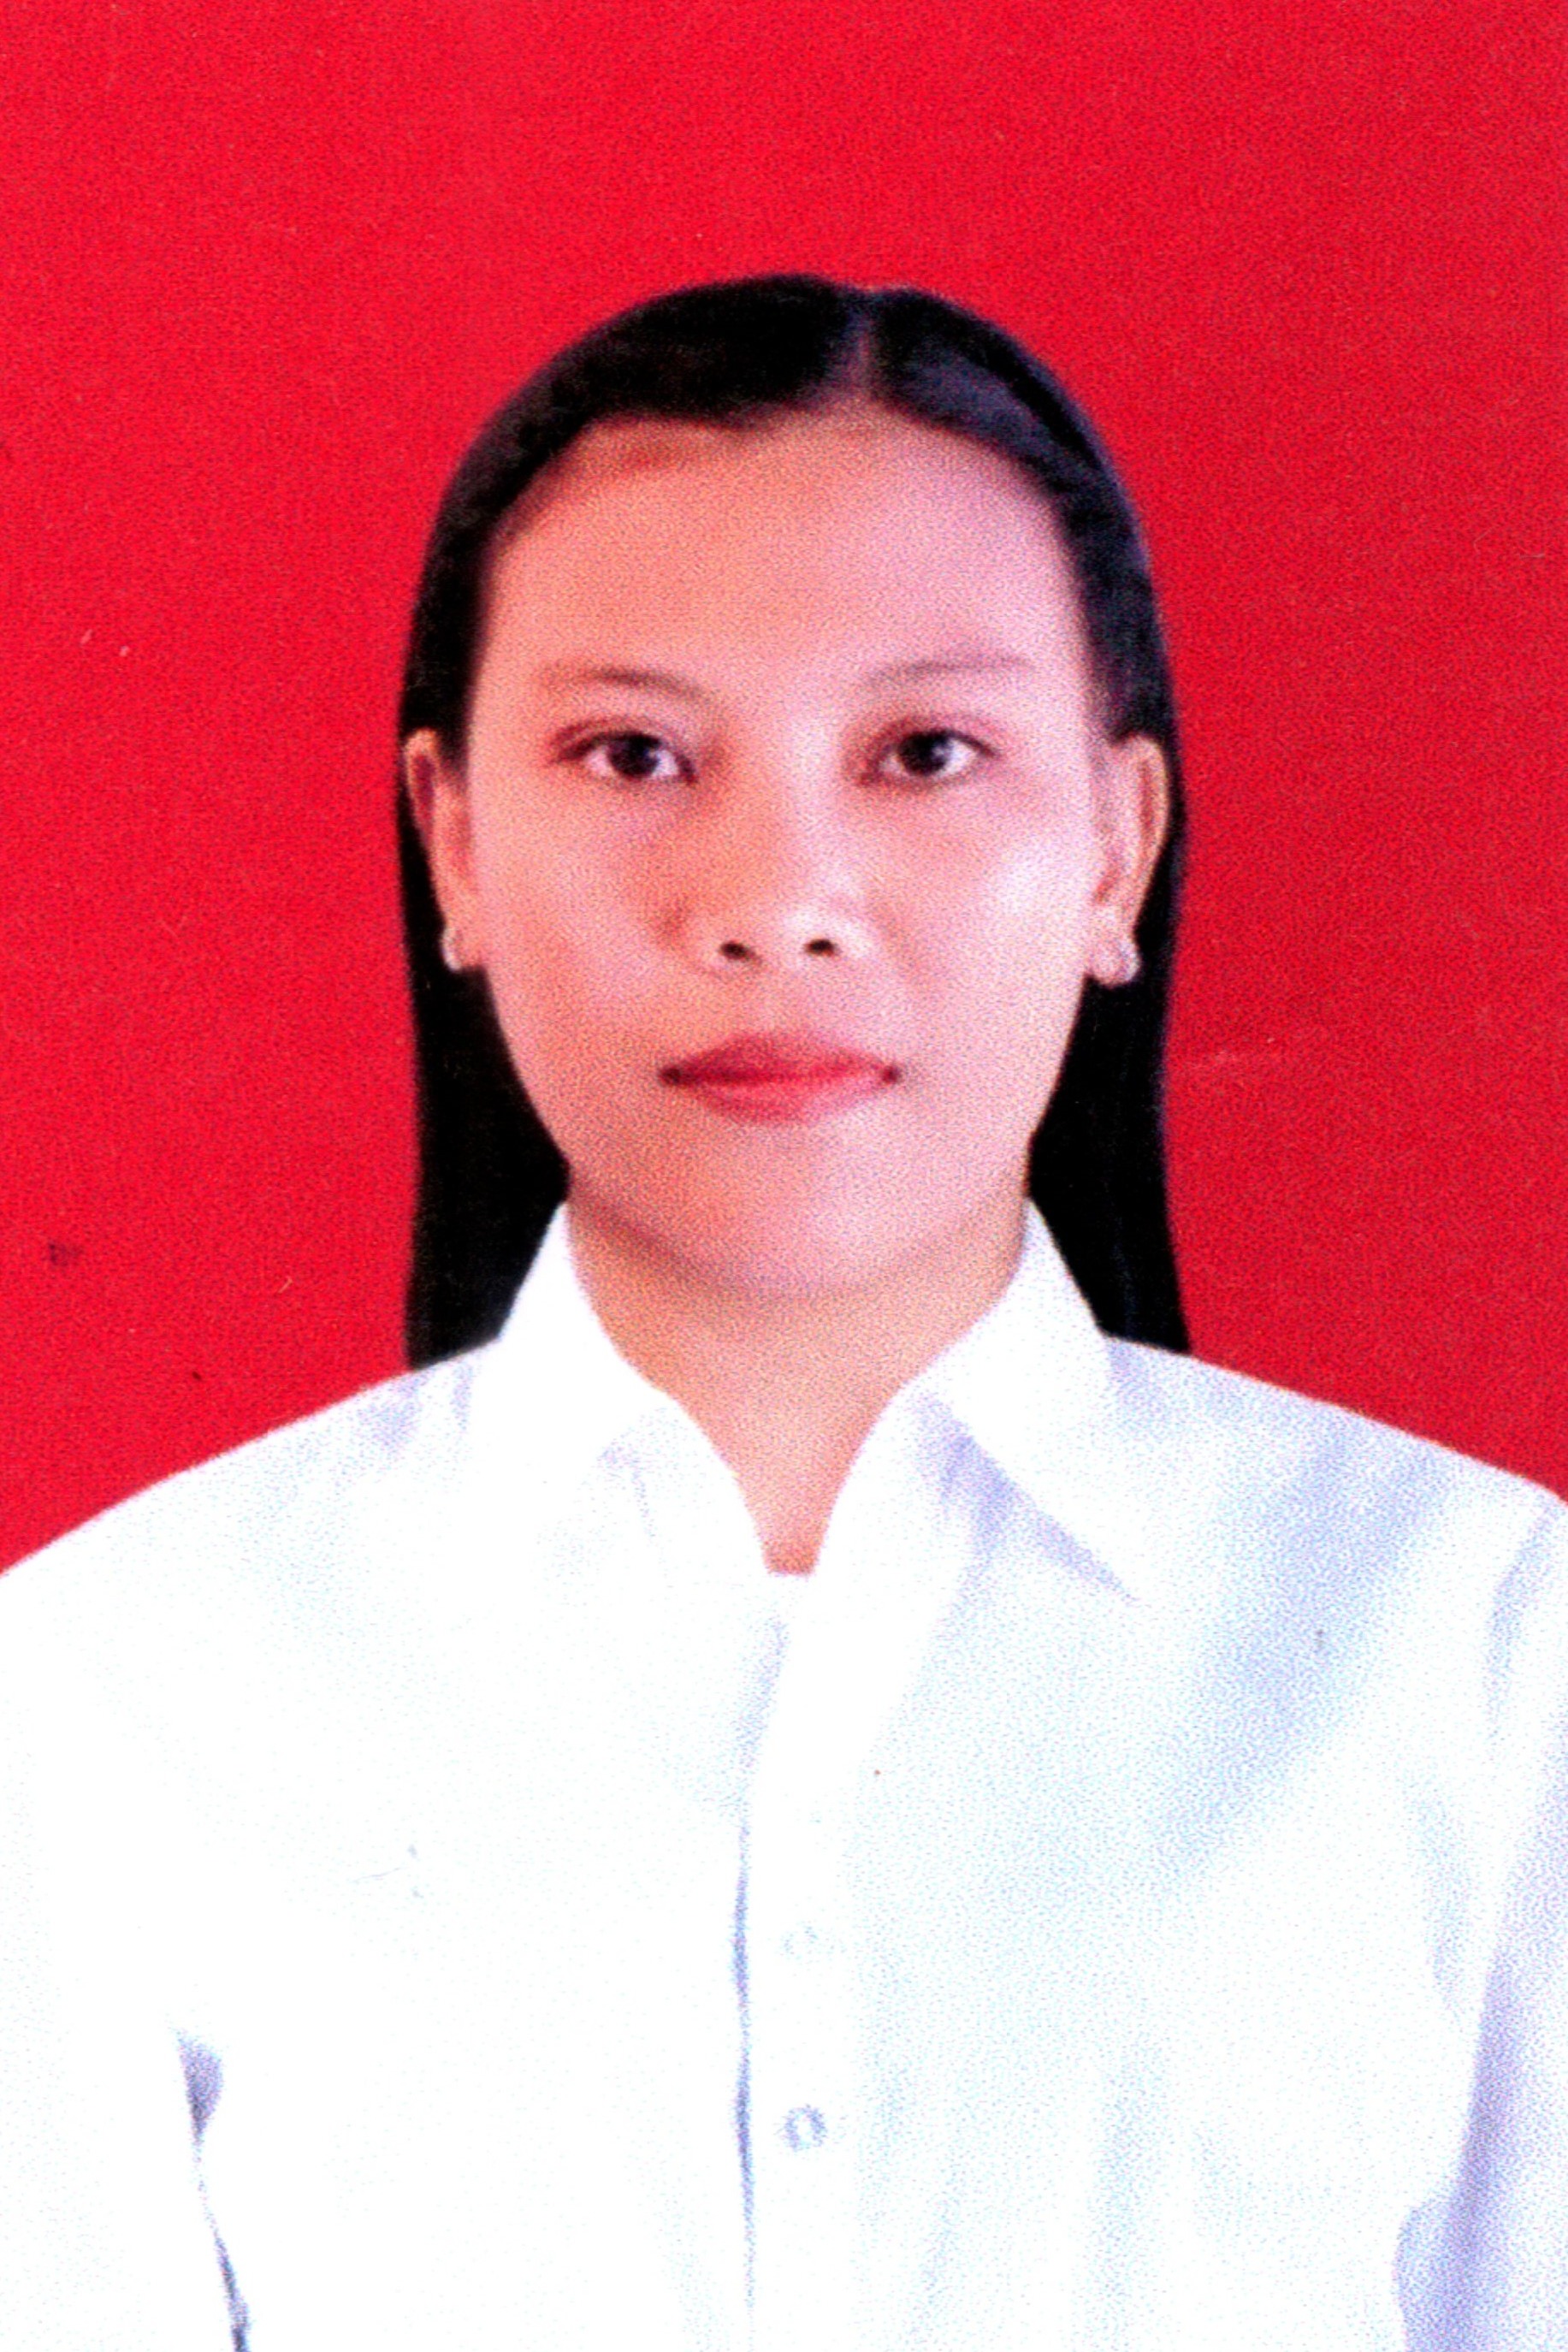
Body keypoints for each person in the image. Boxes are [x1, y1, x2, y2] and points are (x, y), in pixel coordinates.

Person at [1, 275, 1564, 2352]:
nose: (772, 899)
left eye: (924, 751)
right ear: (453, 841)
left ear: (1116, 844)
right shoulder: (111, 1690)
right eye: (633, 753)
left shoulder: (1477, 1651)